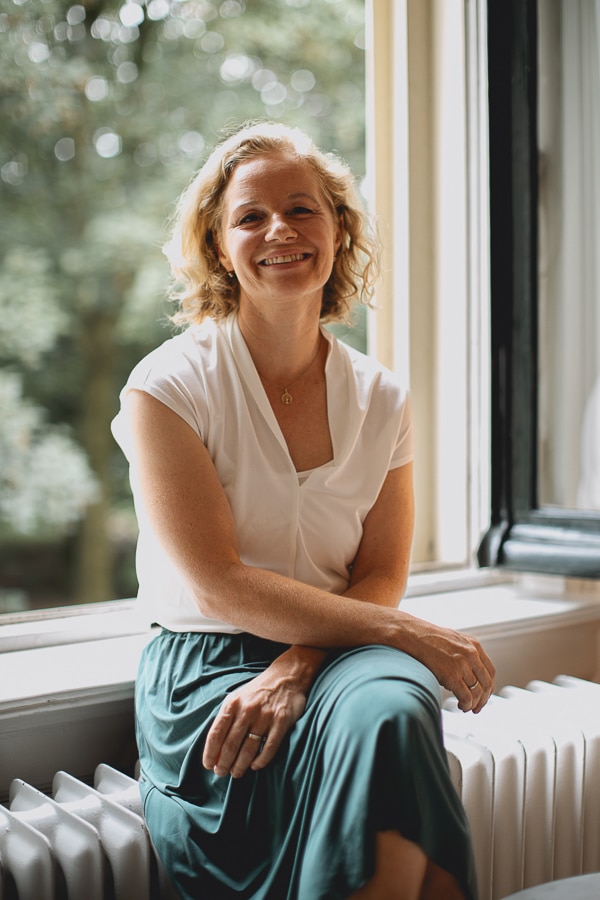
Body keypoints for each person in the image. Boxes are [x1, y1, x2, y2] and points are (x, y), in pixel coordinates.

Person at [111, 120, 495, 900]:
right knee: (396, 705)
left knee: (394, 711)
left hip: (340, 653)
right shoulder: (167, 387)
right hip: (208, 666)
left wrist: (301, 661)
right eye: (249, 217)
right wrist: (410, 633)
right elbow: (219, 585)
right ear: (220, 248)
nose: (278, 231)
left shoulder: (383, 396)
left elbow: (380, 572)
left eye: (300, 209)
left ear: (338, 228)